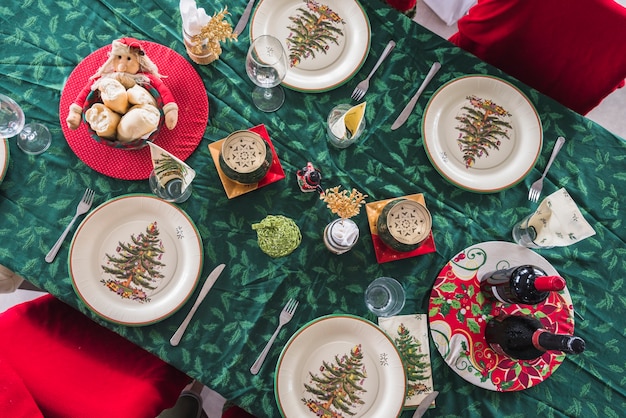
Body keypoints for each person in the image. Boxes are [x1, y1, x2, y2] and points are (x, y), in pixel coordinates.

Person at [65, 37, 179, 131]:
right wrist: (76, 111)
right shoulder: (106, 78)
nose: (122, 65)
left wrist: (170, 109)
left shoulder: (143, 78)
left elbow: (163, 90)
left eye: (128, 58)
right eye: (119, 57)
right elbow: (87, 89)